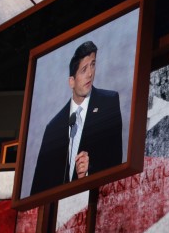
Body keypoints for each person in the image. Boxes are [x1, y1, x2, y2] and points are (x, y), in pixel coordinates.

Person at [30, 41, 123, 195]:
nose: (90, 74)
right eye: (83, 69)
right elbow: (39, 186)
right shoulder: (53, 127)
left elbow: (115, 159)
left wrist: (89, 171)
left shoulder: (109, 102)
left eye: (93, 65)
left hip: (98, 199)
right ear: (71, 82)